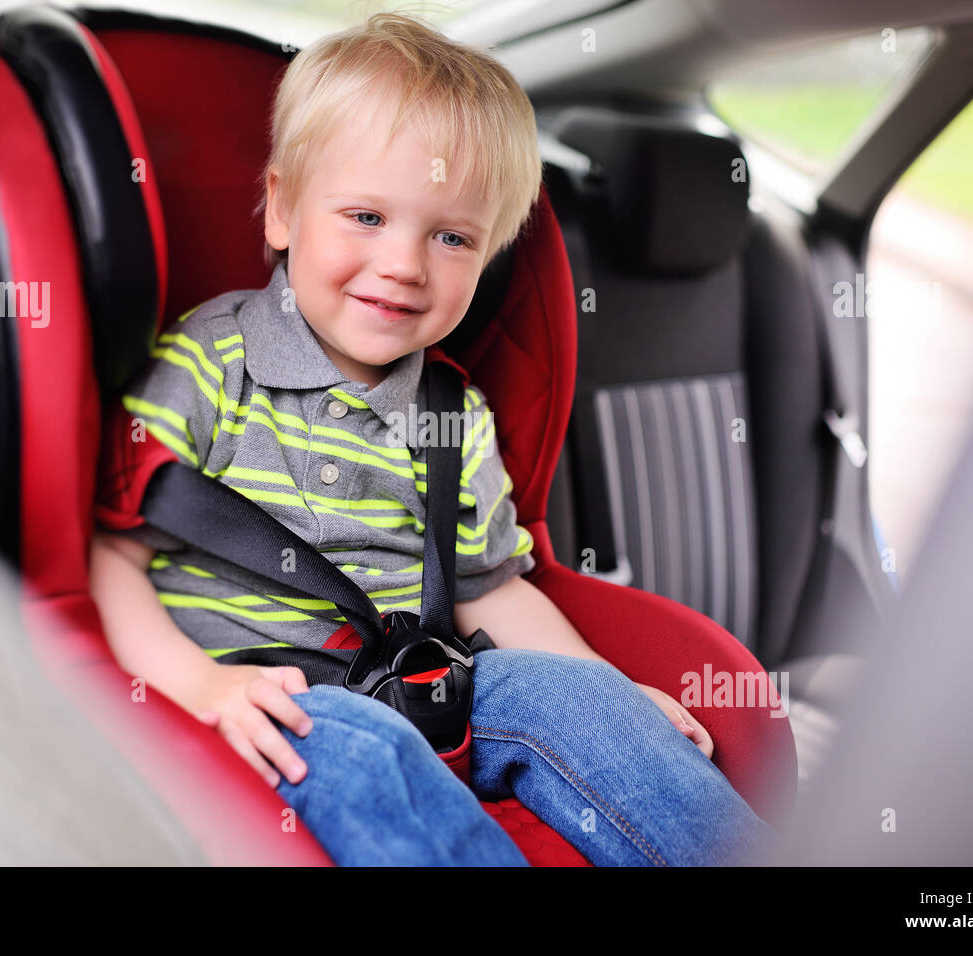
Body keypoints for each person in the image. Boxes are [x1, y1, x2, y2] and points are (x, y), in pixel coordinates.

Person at [88, 10, 781, 866]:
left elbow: (493, 589)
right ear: (281, 211)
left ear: (486, 258)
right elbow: (110, 556)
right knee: (364, 755)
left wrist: (608, 690)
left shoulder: (455, 413)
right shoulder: (209, 362)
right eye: (367, 217)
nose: (407, 264)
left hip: (435, 678)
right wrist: (202, 686)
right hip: (278, 698)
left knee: (588, 708)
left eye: (450, 236)